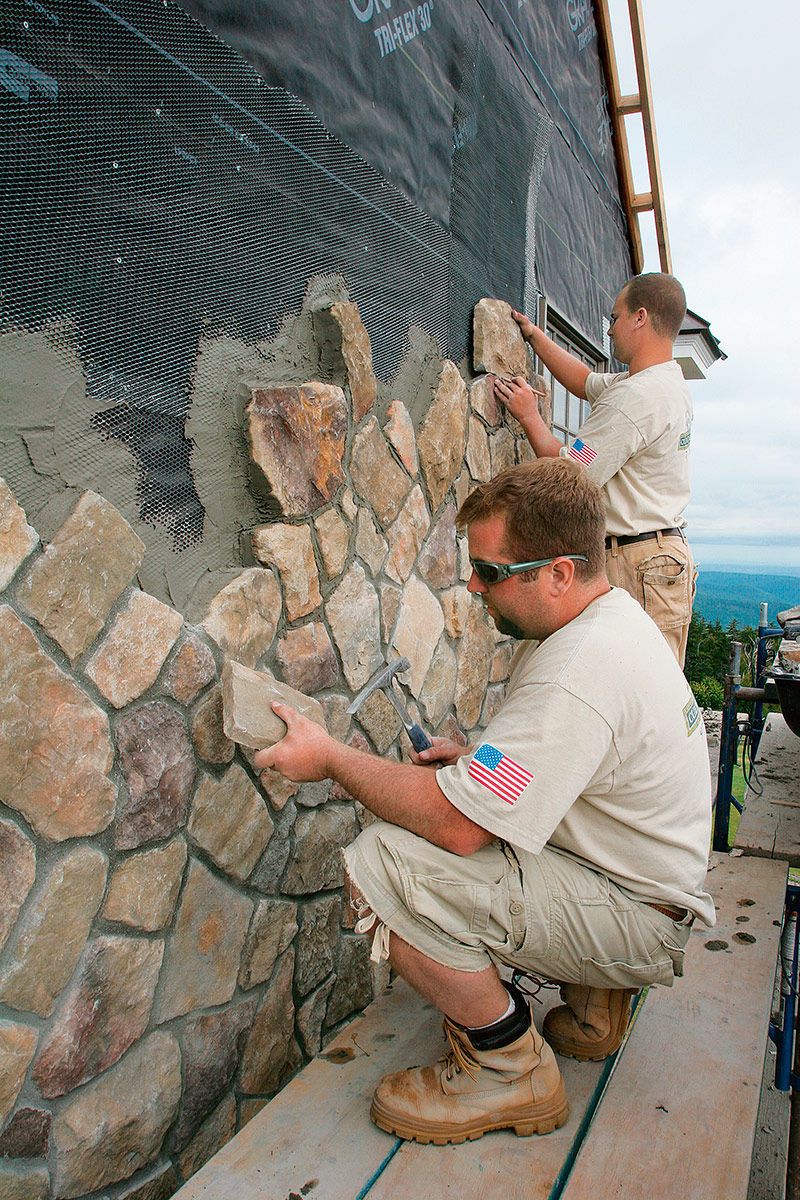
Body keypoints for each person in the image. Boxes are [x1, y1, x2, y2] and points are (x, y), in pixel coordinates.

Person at [254, 458, 714, 1147]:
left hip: (636, 916)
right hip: (648, 884)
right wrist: (473, 764)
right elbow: (570, 768)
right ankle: (596, 1005)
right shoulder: (610, 618)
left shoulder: (579, 670)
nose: (472, 585)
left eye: (491, 572)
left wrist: (329, 759)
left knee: (384, 864)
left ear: (559, 573)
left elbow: (459, 827)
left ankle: (508, 1066)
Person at [493, 272, 695, 666]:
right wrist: (536, 336)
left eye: (614, 318)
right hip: (654, 556)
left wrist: (528, 416)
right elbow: (584, 381)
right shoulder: (663, 381)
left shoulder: (638, 398)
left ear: (640, 317)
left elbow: (571, 474)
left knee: (636, 683)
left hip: (637, 563)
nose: (610, 329)